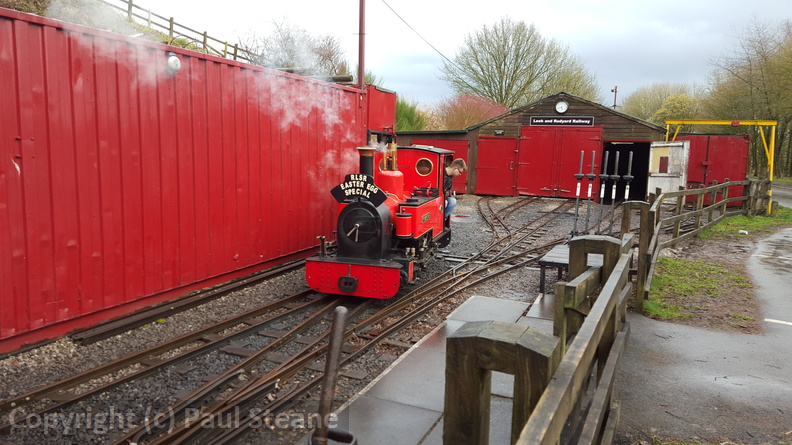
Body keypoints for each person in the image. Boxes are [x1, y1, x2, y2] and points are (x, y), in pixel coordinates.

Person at [443, 158, 467, 224]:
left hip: (444, 197)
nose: (460, 174)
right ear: (455, 168)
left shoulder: (449, 177)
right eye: (460, 172)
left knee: (452, 201)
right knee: (444, 202)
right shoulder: (441, 174)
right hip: (438, 198)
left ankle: (443, 220)